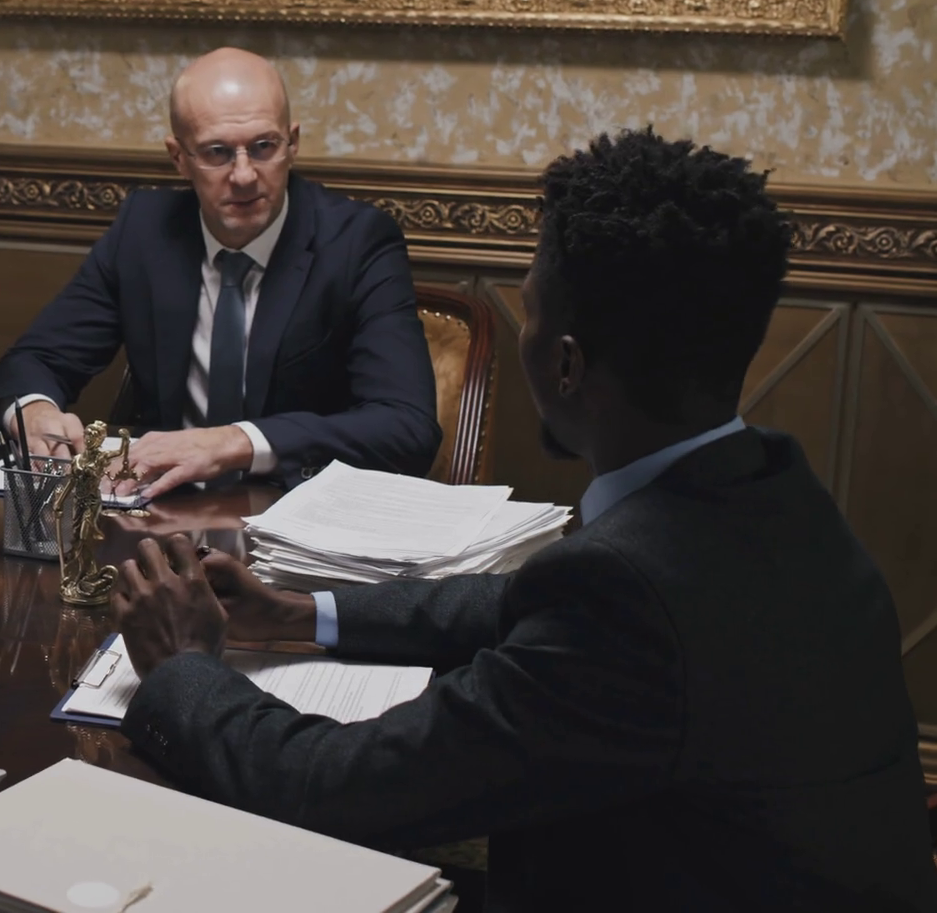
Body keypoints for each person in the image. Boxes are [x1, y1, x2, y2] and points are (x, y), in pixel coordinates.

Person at [110, 128, 937, 910]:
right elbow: (523, 603)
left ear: (568, 363)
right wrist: (303, 613)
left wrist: (184, 668)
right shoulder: (768, 488)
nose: (528, 329)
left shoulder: (629, 598)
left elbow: (336, 788)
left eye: (532, 312)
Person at [0, 48, 439, 497]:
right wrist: (33, 410)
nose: (244, 175)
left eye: (264, 147)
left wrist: (235, 442)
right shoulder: (145, 232)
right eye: (217, 153)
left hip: (293, 520)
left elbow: (405, 426)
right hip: (158, 519)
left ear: (292, 143)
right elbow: (34, 360)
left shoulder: (356, 242)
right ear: (178, 157)